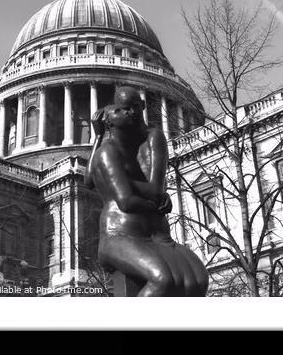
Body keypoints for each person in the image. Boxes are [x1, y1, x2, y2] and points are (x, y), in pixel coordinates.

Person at [87, 86, 208, 296]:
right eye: (122, 109)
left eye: (134, 107)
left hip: (155, 235)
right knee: (163, 279)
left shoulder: (152, 139)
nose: (130, 113)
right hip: (119, 234)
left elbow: (155, 190)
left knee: (197, 280)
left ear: (143, 106)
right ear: (109, 122)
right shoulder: (107, 152)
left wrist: (127, 182)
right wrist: (98, 139)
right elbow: (99, 186)